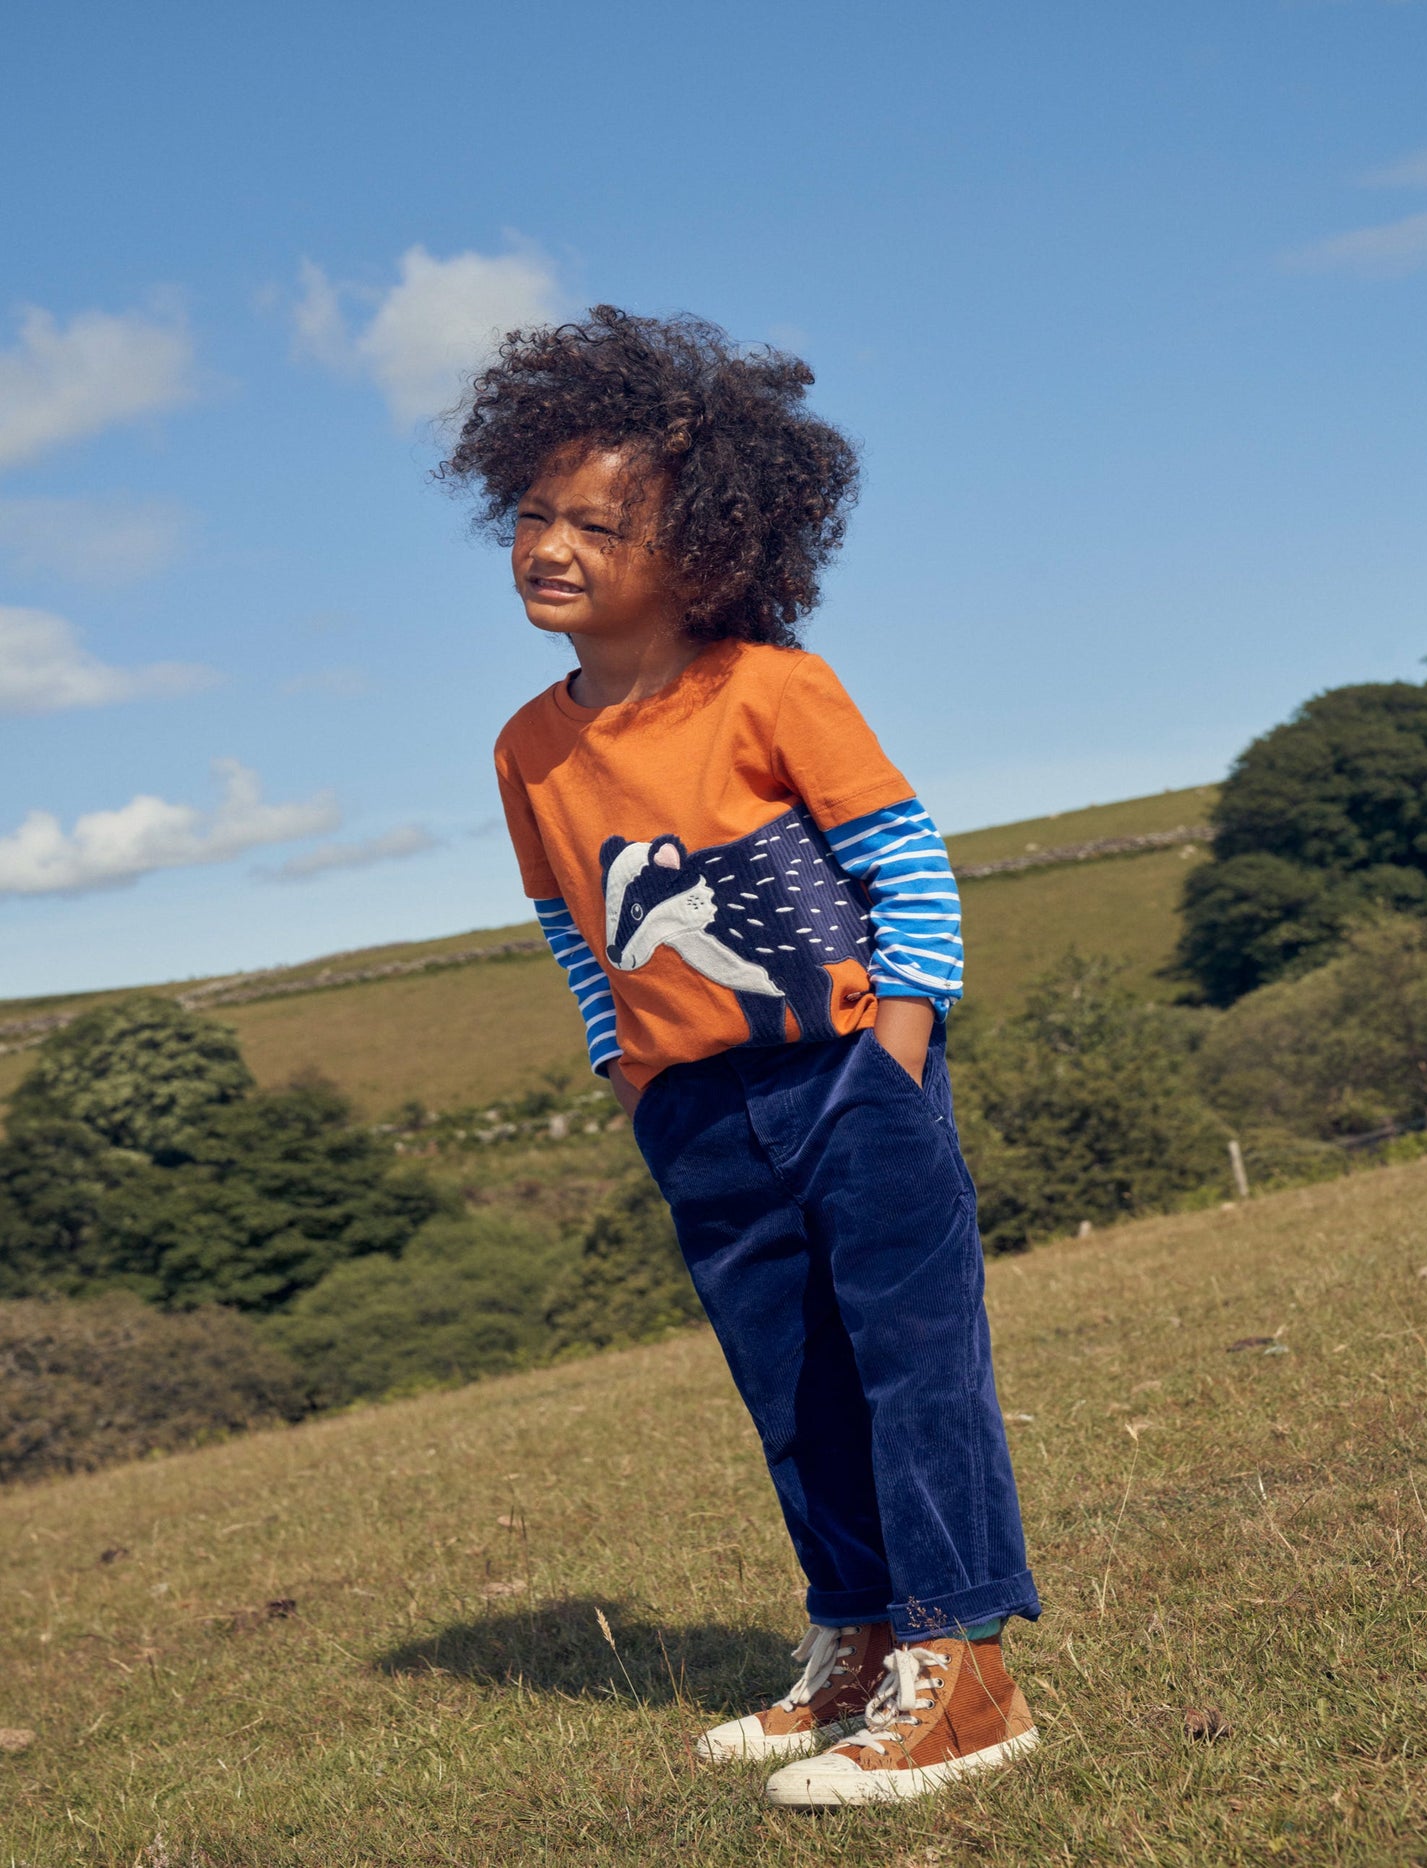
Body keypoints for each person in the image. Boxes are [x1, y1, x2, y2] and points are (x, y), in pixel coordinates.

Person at [444, 306, 1040, 1808]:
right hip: (695, 1111)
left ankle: (963, 1671)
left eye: (600, 523)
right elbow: (575, 928)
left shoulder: (777, 686)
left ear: (706, 547)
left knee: (914, 1371)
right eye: (533, 512)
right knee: (789, 1389)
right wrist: (628, 1072)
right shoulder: (526, 745)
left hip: (851, 1079)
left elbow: (908, 867)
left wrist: (896, 1048)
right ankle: (854, 1643)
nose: (549, 545)